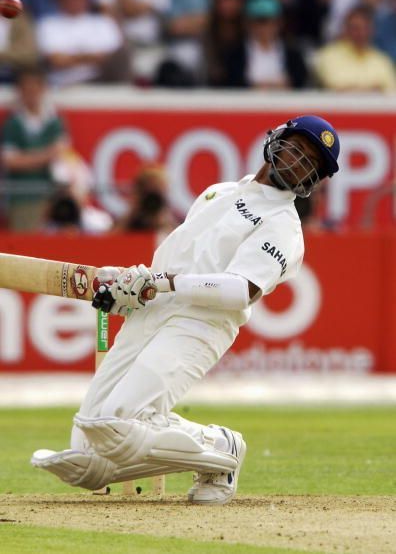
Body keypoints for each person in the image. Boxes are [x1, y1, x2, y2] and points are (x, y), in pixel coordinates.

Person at [31, 115, 341, 505]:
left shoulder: (283, 226)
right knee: (91, 449)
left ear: (315, 180)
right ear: (277, 138)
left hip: (202, 322)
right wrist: (135, 289)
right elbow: (178, 257)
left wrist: (163, 283)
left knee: (117, 425)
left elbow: (240, 289)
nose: (299, 162)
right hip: (154, 310)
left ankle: (222, 448)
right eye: (297, 148)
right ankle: (183, 450)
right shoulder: (219, 192)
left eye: (311, 162)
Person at [1, 68, 67, 231]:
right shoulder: (13, 124)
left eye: (35, 89)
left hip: (51, 195)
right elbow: (10, 161)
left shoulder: (54, 122)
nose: (31, 94)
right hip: (23, 196)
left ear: (43, 89)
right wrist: (45, 155)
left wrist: (28, 158)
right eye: (26, 90)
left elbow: (61, 154)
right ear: (20, 92)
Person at [315, 4, 396, 92]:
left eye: (366, 28)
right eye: (356, 28)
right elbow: (334, 85)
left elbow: (391, 89)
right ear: (345, 29)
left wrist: (354, 88)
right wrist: (374, 89)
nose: (361, 33)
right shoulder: (328, 55)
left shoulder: (382, 60)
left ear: (372, 30)